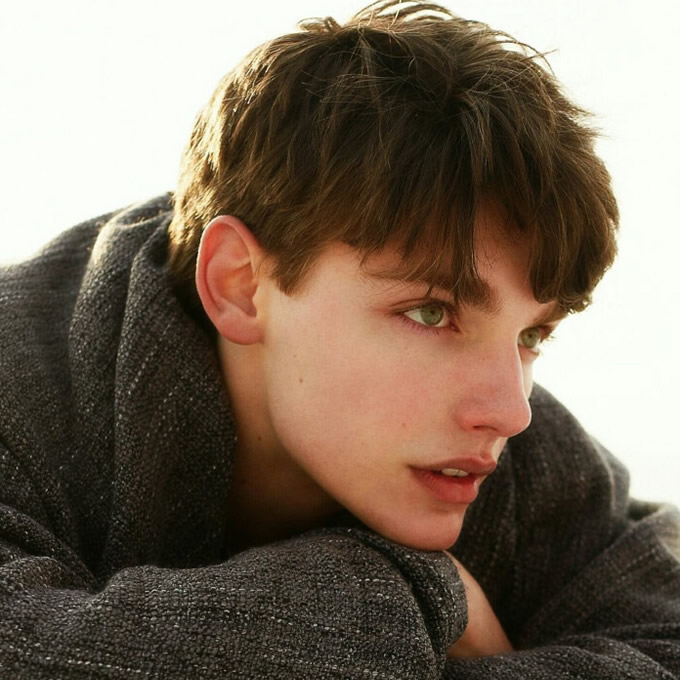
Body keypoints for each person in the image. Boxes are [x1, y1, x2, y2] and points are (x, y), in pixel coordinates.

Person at [1, 0, 679, 677]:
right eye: (431, 313)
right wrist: (413, 595)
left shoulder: (510, 458)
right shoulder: (20, 387)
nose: (509, 411)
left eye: (532, 334)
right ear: (239, 284)